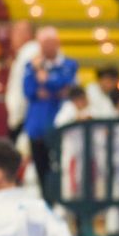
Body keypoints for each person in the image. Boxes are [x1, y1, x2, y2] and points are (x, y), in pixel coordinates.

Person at [21, 26, 77, 206]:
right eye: (43, 44)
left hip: (60, 126)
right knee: (40, 169)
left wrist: (44, 79)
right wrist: (51, 87)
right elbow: (29, 90)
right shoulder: (31, 65)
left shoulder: (68, 64)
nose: (46, 48)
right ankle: (46, 205)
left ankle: (62, 206)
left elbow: (65, 86)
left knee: (61, 170)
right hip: (37, 127)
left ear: (57, 44)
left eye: (50, 43)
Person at [3, 18, 38, 142]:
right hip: (22, 117)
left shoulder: (30, 52)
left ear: (27, 34)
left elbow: (24, 90)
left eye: (16, 31)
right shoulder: (23, 54)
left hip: (24, 118)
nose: (12, 35)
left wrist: (17, 117)